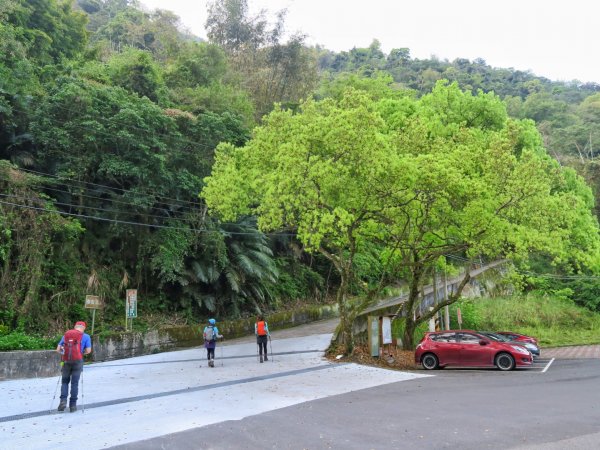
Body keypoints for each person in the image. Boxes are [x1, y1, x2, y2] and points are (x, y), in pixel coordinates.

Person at [56, 321, 92, 412]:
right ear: (83, 328)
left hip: (66, 361)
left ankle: (63, 401)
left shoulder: (67, 335)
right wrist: (81, 353)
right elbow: (88, 350)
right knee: (74, 383)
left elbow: (58, 350)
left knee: (64, 382)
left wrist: (64, 354)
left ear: (75, 327)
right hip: (78, 361)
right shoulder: (86, 336)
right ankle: (73, 406)